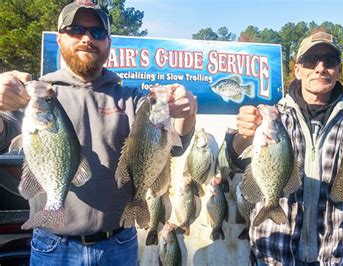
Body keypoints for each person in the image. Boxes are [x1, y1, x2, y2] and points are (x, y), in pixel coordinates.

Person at [0, 2, 197, 265]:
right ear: (60, 38)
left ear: (108, 42)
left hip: (118, 243)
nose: (87, 38)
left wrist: (188, 112)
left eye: (97, 33)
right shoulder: (36, 94)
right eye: (76, 30)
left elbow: (174, 145)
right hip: (53, 245)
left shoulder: (133, 98)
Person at [225, 30, 343, 265]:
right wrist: (243, 138)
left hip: (339, 255)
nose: (320, 68)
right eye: (310, 61)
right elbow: (233, 161)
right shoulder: (272, 117)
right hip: (274, 253)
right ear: (297, 70)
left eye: (329, 61)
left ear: (339, 71)